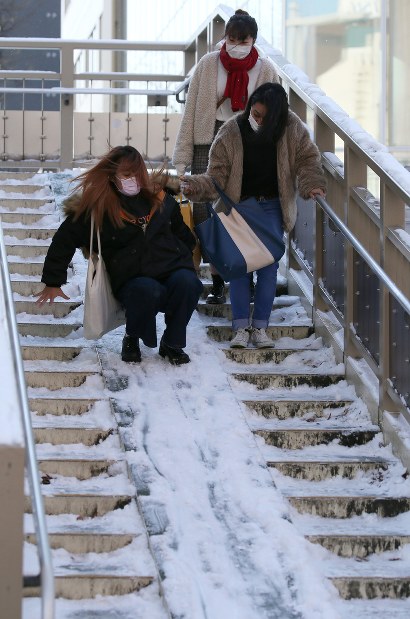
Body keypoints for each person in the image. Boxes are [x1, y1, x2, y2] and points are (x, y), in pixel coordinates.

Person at [180, 82, 326, 349]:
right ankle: (239, 327)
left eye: (263, 117)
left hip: (272, 207)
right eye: (254, 113)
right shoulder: (231, 131)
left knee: (268, 266)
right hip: (239, 208)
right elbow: (217, 176)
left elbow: (307, 159)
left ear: (277, 117)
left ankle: (260, 327)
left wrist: (311, 184)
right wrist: (195, 185)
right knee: (239, 267)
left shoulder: (292, 128)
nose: (256, 119)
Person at [36, 145, 203, 365]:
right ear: (113, 176)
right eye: (126, 174)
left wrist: (181, 255)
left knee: (188, 282)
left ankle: (172, 344)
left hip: (169, 270)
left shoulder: (161, 200)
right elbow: (64, 239)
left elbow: (184, 236)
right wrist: (53, 280)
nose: (132, 179)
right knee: (146, 289)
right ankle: (132, 337)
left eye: (136, 173)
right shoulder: (99, 208)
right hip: (132, 279)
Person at [172, 9, 278, 305]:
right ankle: (218, 278)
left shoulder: (266, 70)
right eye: (230, 38)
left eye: (241, 39)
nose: (234, 44)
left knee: (245, 209)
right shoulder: (208, 64)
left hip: (248, 142)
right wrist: (182, 156)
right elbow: (191, 111)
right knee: (207, 212)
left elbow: (276, 114)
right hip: (208, 140)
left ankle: (250, 275)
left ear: (252, 39)